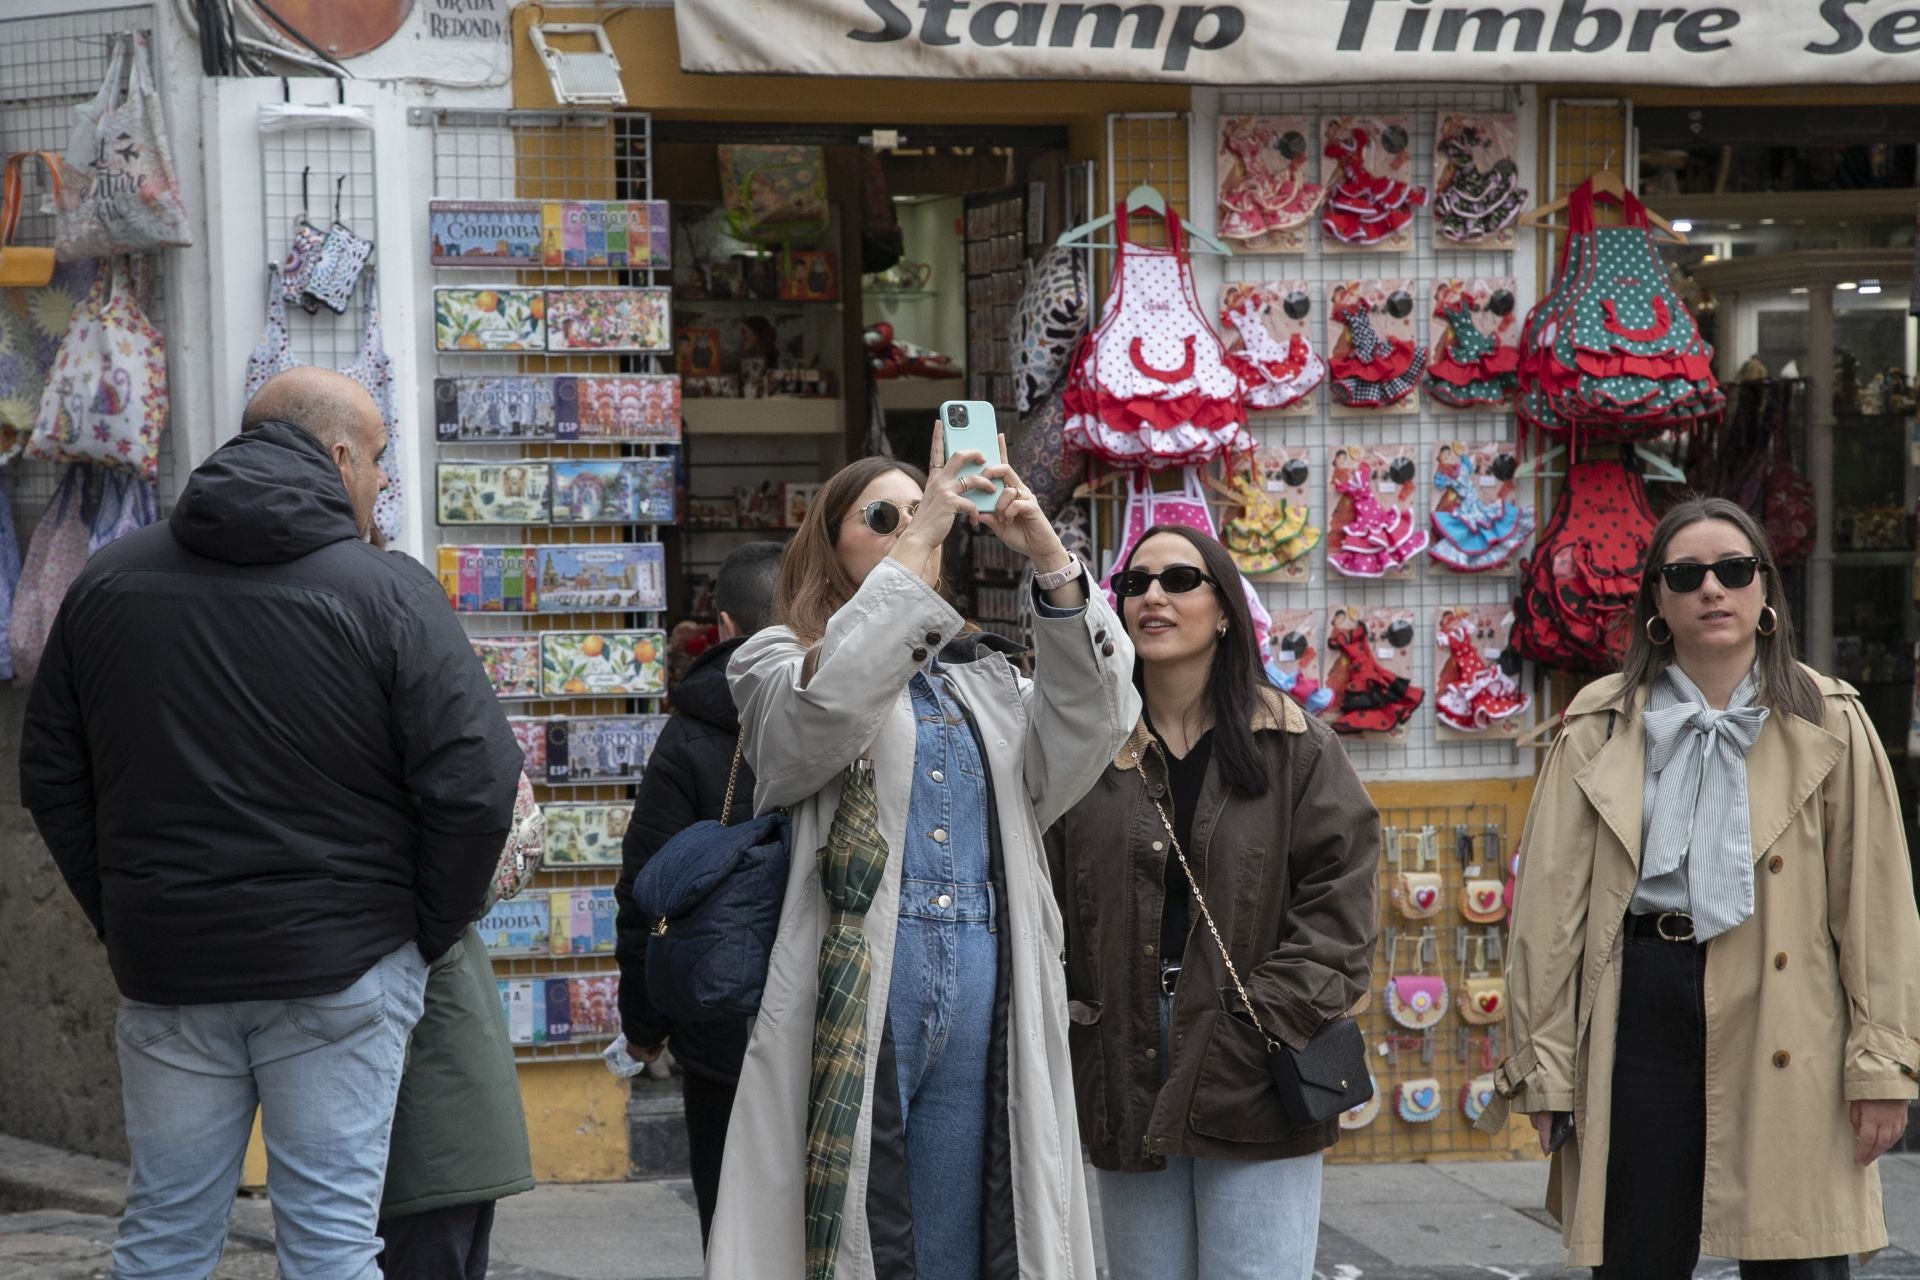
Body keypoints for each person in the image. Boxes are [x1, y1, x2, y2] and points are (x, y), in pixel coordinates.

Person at [20, 366, 524, 1280]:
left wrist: (127, 910)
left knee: (165, 1237)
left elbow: (52, 776)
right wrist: (423, 932)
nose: (383, 483)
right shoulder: (386, 591)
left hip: (172, 969)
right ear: (338, 457)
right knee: (331, 1243)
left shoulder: (109, 583)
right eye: (377, 460)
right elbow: (478, 785)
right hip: (343, 966)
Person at [705, 438, 1140, 1280]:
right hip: (864, 965)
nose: (917, 525)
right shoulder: (774, 660)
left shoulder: (985, 676)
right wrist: (928, 526)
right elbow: (819, 719)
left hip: (987, 967)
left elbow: (1096, 724)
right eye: (884, 517)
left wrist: (1047, 554)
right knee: (857, 1223)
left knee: (961, 1227)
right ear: (830, 544)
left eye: (927, 511)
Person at [1491, 495, 1920, 1278]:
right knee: (1637, 1254)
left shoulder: (1830, 715)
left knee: (1799, 1255)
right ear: (1657, 600)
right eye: (1685, 574)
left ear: (1765, 592)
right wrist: (1543, 1064)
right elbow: (1550, 914)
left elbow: (1877, 910)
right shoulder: (1602, 720)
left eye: (1733, 569)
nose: (1711, 590)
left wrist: (1883, 1066)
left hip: (1790, 1001)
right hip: (1640, 999)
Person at [1047, 524, 1380, 1280]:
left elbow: (1340, 913)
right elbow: (1048, 901)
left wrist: (1258, 1018)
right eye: (1135, 583)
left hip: (1254, 1053)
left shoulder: (1293, 746)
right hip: (1125, 1052)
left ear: (1225, 610)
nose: (1153, 596)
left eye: (1179, 580)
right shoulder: (1088, 748)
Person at [615, 539, 786, 1247]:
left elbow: (647, 888)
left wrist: (645, 1025)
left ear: (721, 628)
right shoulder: (847, 710)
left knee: (734, 1222)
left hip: (721, 1015)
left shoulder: (688, 733)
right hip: (833, 1009)